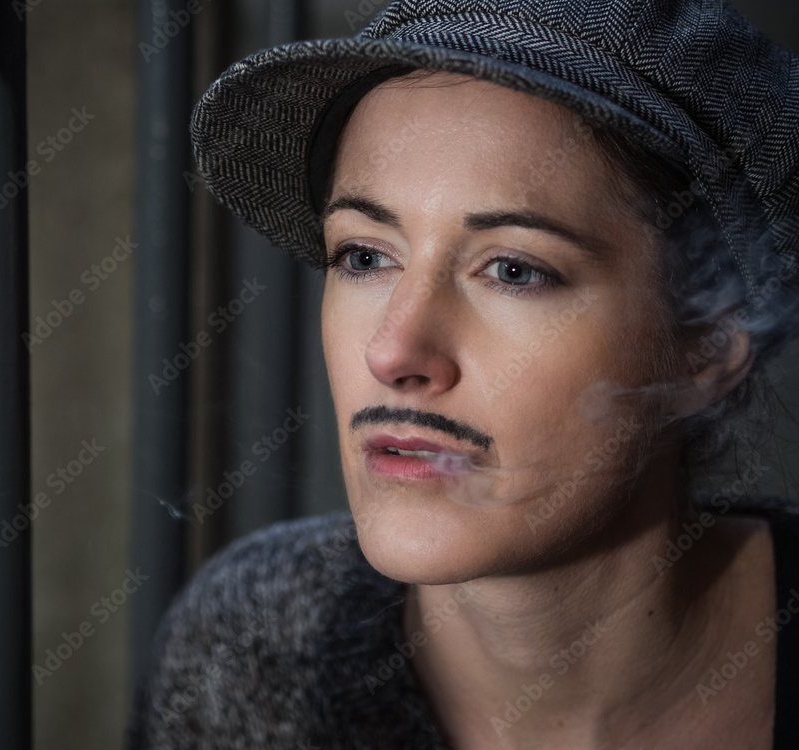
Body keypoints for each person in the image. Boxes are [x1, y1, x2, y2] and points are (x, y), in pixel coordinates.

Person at [126, 0, 799, 747]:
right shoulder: (250, 646)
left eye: (513, 269)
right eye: (364, 256)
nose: (394, 351)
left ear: (706, 345)